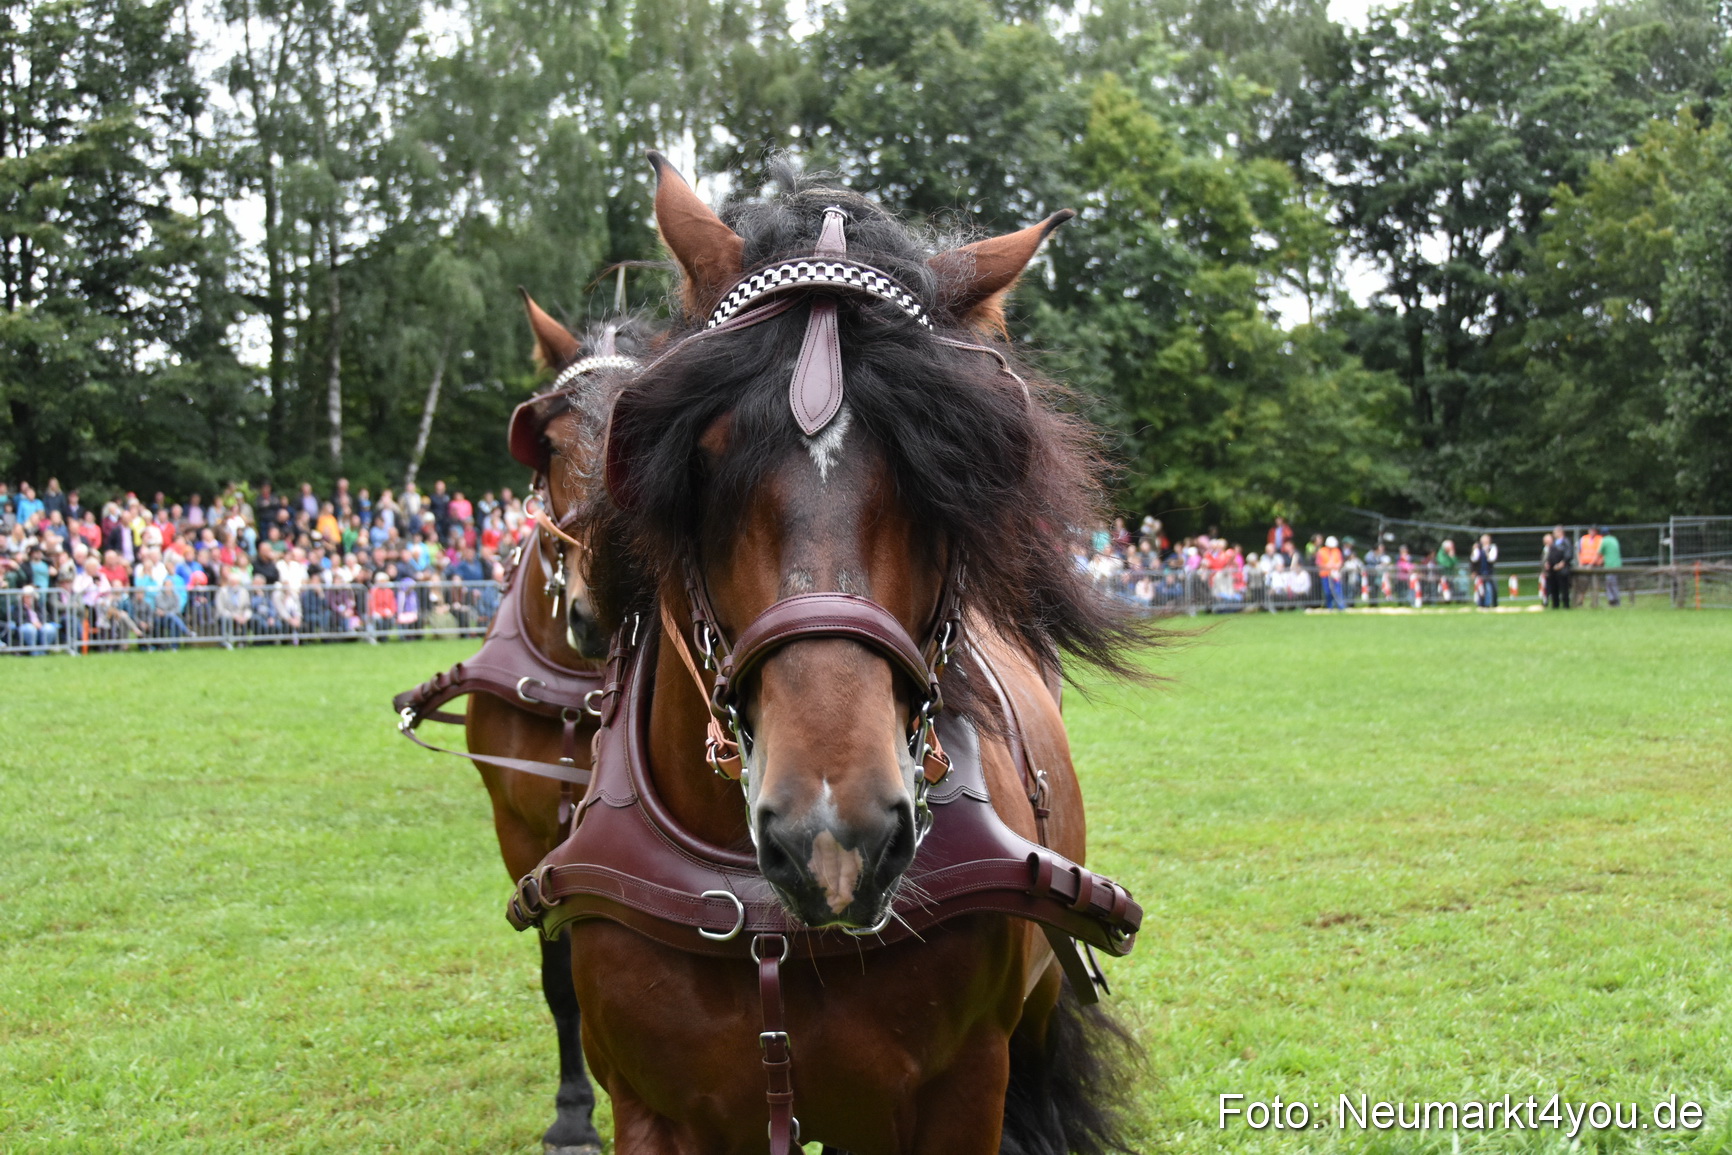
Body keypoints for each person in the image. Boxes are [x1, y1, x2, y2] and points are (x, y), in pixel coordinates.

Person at [1544, 525, 1573, 609]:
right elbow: (1550, 554)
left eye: (1555, 532)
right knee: (1554, 587)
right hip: (1553, 569)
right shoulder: (1554, 543)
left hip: (1562, 569)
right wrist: (1548, 563)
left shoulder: (1566, 542)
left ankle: (1566, 605)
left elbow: (1568, 554)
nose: (1554, 534)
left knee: (1564, 587)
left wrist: (1562, 564)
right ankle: (1555, 604)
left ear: (1560, 532)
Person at [1577, 525, 1604, 607]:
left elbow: (1600, 553)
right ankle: (1580, 600)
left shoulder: (1600, 539)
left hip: (1596, 565)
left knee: (1595, 584)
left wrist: (1593, 563)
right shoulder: (1583, 539)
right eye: (1591, 530)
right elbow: (1578, 551)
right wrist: (1580, 563)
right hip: (1585, 564)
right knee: (1582, 583)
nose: (1592, 532)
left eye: (1594, 530)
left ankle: (1595, 602)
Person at [1317, 535, 1345, 610]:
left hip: (1335, 574)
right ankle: (1329, 607)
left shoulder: (1337, 551)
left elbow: (1340, 561)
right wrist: (1327, 566)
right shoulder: (1321, 551)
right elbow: (1319, 564)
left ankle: (1341, 607)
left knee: (1338, 590)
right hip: (1325, 575)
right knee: (1327, 592)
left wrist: (1337, 566)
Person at [1471, 534, 1498, 607]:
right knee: (1480, 589)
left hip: (1489, 572)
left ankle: (1493, 604)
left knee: (1491, 588)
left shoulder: (1492, 548)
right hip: (1480, 572)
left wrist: (1486, 552)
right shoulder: (1478, 549)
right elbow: (1474, 559)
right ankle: (1482, 604)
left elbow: (1491, 559)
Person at [1599, 527, 1622, 607]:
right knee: (1613, 583)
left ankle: (1614, 600)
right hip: (1617, 564)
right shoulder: (1614, 539)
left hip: (1610, 565)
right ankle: (1613, 599)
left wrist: (1591, 564)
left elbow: (1599, 553)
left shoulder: (1604, 540)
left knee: (1610, 583)